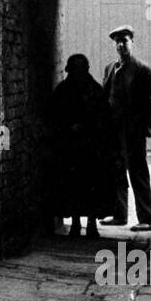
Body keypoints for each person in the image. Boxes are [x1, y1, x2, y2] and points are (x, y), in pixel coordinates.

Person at [100, 25, 151, 232]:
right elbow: (104, 97)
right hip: (113, 131)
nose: (120, 45)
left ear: (132, 42)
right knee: (117, 171)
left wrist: (136, 123)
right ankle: (119, 214)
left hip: (133, 131)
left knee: (138, 171)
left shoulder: (143, 70)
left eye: (124, 41)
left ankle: (147, 218)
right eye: (117, 42)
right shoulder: (110, 69)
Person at [48, 53, 115, 239]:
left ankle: (89, 224)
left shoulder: (90, 91)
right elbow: (53, 117)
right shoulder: (74, 91)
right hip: (72, 149)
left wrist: (84, 127)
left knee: (88, 186)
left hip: (88, 149)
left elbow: (103, 119)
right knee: (76, 187)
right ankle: (79, 224)